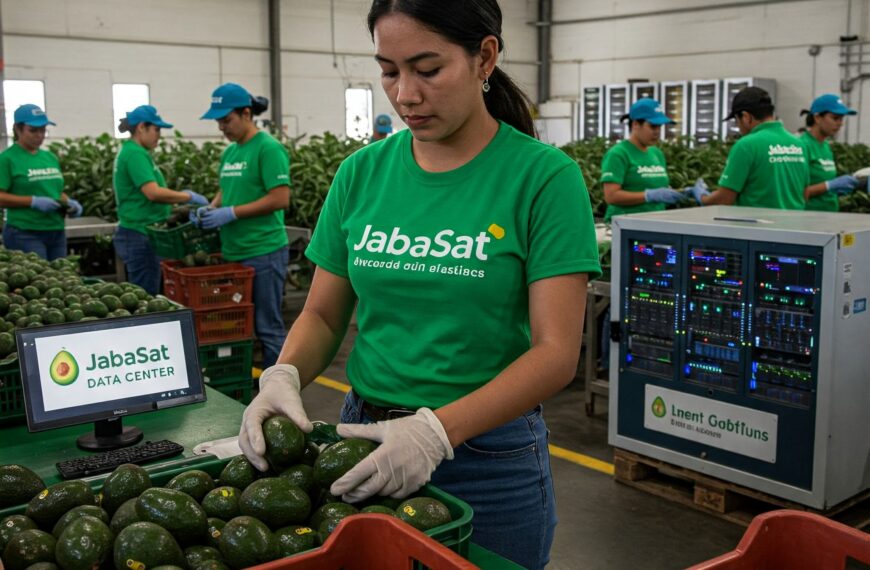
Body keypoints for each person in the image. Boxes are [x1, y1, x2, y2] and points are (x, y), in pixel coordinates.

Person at [236, 1, 601, 568]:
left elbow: (555, 353)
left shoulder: (543, 178)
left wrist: (436, 431)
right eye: (388, 70)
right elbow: (325, 315)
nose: (405, 94)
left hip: (487, 456)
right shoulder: (362, 173)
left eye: (427, 69)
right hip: (361, 438)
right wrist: (284, 374)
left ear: (485, 57)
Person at [196, 83, 290, 369]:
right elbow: (227, 189)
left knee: (268, 327)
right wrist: (211, 208)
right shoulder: (230, 153)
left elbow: (280, 198)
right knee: (238, 326)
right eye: (218, 121)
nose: (222, 127)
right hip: (234, 252)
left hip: (263, 251)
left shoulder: (268, 148)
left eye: (227, 120)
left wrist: (232, 213)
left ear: (246, 113)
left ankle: (278, 391)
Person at [113, 105, 209, 294]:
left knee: (145, 292)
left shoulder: (134, 152)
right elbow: (153, 193)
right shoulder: (134, 153)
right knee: (145, 295)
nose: (159, 135)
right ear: (142, 127)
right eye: (156, 129)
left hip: (140, 231)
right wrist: (188, 196)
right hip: (140, 233)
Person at [687, 87, 808, 209]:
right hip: (795, 225)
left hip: (758, 226)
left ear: (746, 117)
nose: (738, 127)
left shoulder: (746, 145)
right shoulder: (798, 144)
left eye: (736, 121)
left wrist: (702, 196)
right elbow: (804, 192)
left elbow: (724, 199)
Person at [0, 104, 83, 260]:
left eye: (43, 130)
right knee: (39, 280)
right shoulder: (7, 159)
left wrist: (68, 202)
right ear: (18, 129)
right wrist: (32, 202)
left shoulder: (50, 157)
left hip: (56, 231)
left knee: (60, 280)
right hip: (25, 232)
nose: (39, 135)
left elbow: (54, 191)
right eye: (33, 130)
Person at [601, 98, 685, 222]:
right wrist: (649, 195)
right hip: (625, 227)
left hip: (655, 223)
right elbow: (611, 196)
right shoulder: (618, 154)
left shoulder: (657, 153)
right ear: (635, 124)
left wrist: (681, 193)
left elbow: (658, 188)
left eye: (659, 127)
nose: (657, 132)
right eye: (652, 126)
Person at [800, 94, 862, 211]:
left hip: (829, 216)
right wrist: (829, 186)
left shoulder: (826, 145)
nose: (840, 123)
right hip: (810, 219)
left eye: (841, 119)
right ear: (817, 118)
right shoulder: (802, 146)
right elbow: (798, 193)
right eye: (835, 118)